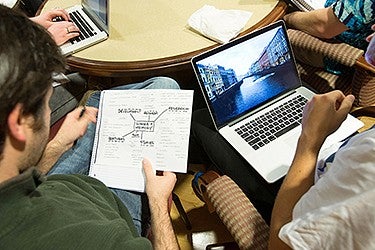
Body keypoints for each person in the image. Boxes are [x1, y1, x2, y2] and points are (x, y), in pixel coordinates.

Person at [0, 5, 179, 249]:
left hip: (56, 184)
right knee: (165, 90)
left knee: (151, 88)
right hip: (106, 209)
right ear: (19, 123)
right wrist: (158, 203)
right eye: (46, 102)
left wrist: (55, 147)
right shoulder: (93, 237)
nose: (50, 110)